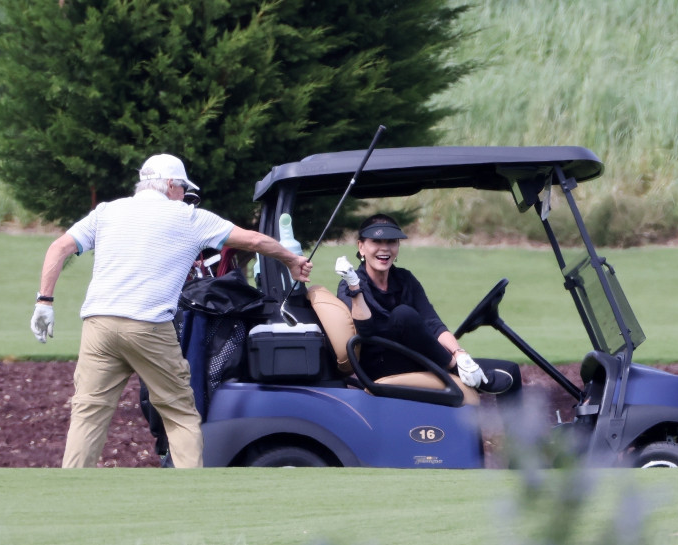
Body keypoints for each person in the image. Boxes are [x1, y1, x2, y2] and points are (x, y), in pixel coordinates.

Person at [30, 153, 313, 468]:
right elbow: (255, 240)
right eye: (184, 190)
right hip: (149, 326)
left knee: (89, 411)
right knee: (179, 411)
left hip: (98, 325)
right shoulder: (189, 217)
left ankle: (72, 489)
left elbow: (60, 247)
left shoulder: (106, 212)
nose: (187, 198)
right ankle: (189, 493)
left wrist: (45, 301)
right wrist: (291, 260)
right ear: (170, 185)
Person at [335, 213, 516, 394]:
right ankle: (455, 369)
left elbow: (433, 323)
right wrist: (354, 286)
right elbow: (365, 330)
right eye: (376, 242)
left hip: (423, 359)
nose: (385, 249)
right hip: (382, 367)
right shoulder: (350, 285)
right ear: (361, 247)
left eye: (391, 242)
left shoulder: (405, 279)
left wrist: (460, 355)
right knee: (403, 315)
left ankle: (519, 421)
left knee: (511, 371)